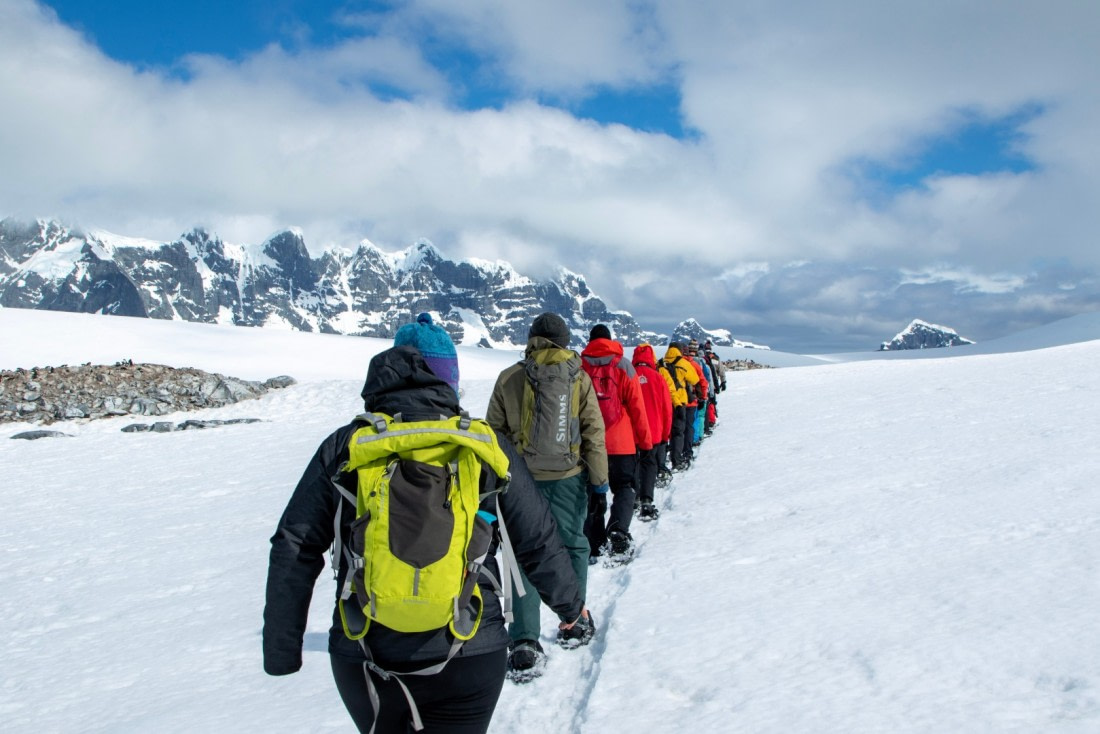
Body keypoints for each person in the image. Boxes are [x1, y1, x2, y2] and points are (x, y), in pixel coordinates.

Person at [263, 315, 589, 733]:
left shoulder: (347, 446)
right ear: (449, 379)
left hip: (364, 650)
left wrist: (282, 649)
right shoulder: (484, 445)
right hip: (470, 645)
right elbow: (537, 537)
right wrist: (569, 607)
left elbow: (296, 544)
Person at [486, 312, 606, 679]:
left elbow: (493, 436)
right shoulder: (578, 377)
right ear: (565, 340)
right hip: (569, 478)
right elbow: (592, 432)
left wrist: (497, 485)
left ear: (532, 339)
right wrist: (599, 484)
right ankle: (574, 620)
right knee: (572, 545)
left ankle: (524, 640)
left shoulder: (510, 377)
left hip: (521, 481)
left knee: (522, 552)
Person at [580, 324, 652, 560]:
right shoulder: (624, 365)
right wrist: (645, 442)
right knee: (624, 487)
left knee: (592, 490)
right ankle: (619, 531)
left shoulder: (580, 366)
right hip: (622, 442)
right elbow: (637, 408)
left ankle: (594, 540)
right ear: (610, 340)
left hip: (589, 442)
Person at [630, 342, 673, 520]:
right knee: (649, 464)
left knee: (633, 464)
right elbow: (667, 409)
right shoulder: (658, 377)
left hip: (631, 432)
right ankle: (647, 500)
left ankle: (633, 497)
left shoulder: (628, 375)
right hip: (653, 431)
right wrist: (665, 435)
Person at [660, 342, 699, 470]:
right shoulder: (683, 363)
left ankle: (661, 461)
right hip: (680, 402)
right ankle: (676, 461)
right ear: (680, 350)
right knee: (678, 432)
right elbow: (694, 379)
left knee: (664, 432)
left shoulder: (660, 363)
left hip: (663, 402)